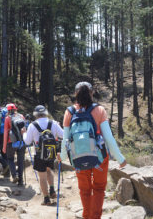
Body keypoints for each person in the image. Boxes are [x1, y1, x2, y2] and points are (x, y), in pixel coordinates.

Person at [60, 82, 127, 219]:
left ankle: (86, 216)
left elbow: (65, 140)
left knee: (84, 190)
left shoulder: (69, 112)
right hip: (100, 158)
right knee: (99, 189)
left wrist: (61, 156)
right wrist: (120, 158)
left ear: (75, 94)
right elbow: (108, 138)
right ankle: (95, 216)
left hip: (78, 157)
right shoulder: (99, 110)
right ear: (91, 93)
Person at [23, 105, 64, 206]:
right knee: (49, 170)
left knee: (42, 177)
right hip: (51, 153)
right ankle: (52, 190)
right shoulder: (53, 123)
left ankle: (46, 199)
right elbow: (63, 135)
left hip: (39, 154)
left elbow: (27, 141)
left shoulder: (33, 125)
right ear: (45, 113)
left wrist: (24, 133)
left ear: (35, 114)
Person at [2, 103, 26, 186]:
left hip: (10, 142)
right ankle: (21, 181)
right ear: (16, 109)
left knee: (10, 159)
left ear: (8, 110)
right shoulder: (21, 116)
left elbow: (5, 133)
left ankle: (14, 175)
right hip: (21, 142)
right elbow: (24, 129)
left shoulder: (7, 118)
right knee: (20, 161)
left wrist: (4, 147)